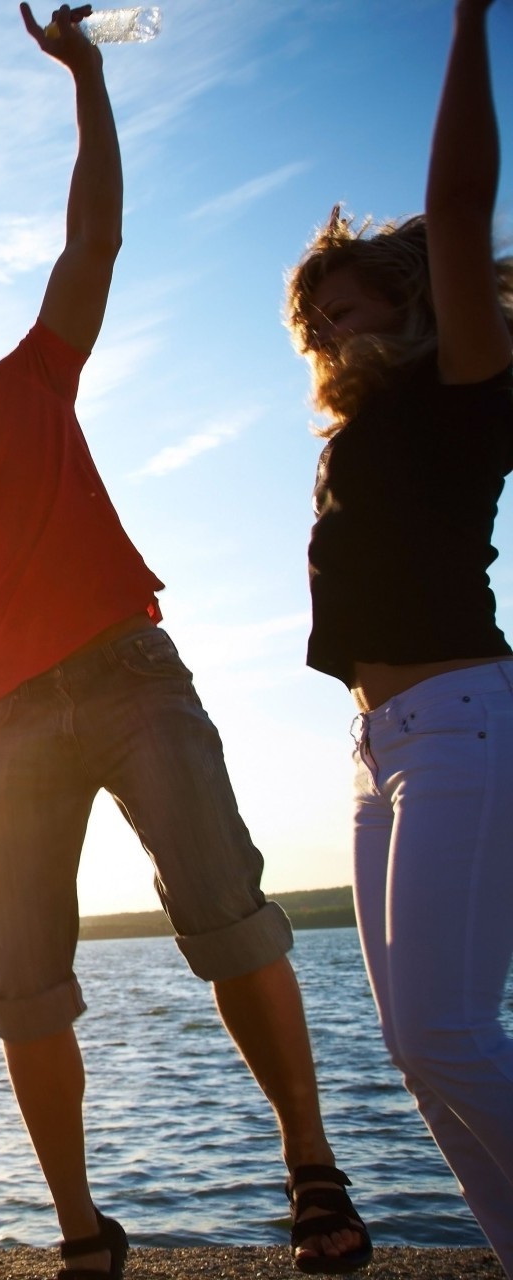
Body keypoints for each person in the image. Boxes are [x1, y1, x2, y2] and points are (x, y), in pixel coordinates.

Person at [0, 7, 368, 1276]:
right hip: (14, 719)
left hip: (133, 675)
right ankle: (82, 1226)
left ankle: (311, 1167)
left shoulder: (34, 383)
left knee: (223, 912)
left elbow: (98, 235)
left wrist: (87, 78)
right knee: (19, 973)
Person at [286, 0, 513, 1265]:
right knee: (422, 1057)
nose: (330, 334)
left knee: (447, 1035)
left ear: (414, 303)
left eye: (352, 307)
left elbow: (464, 205)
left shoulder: (464, 388)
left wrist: (472, 15)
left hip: (466, 726)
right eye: (317, 322)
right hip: (382, 749)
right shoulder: (358, 437)